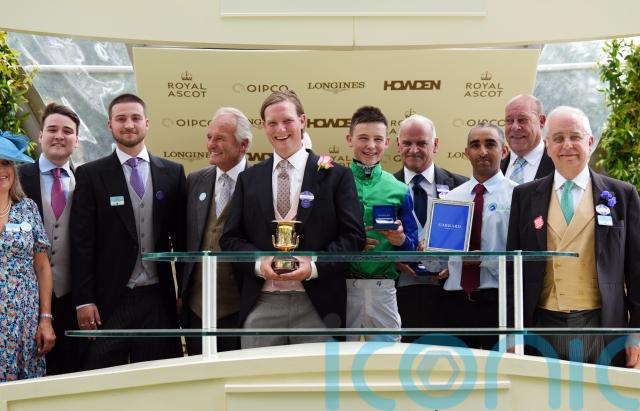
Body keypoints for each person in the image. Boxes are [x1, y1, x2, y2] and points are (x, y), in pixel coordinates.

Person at [220, 90, 365, 348]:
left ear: (302, 121)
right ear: (264, 126)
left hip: (319, 306)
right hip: (261, 304)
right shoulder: (248, 179)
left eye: (287, 121)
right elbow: (230, 238)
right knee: (254, 373)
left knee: (317, 376)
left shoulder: (336, 176)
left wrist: (314, 266)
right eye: (272, 123)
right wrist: (259, 263)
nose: (280, 129)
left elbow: (353, 237)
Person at [506, 106, 640, 366]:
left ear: (590, 142)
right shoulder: (524, 196)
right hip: (540, 325)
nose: (567, 145)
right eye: (558, 138)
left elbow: (637, 270)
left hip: (601, 324)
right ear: (547, 146)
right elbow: (514, 268)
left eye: (575, 137)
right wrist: (513, 330)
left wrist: (636, 332)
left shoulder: (622, 195)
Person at [71, 94, 185, 369]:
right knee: (101, 377)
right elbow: (81, 243)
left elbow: (182, 240)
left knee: (159, 377)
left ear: (147, 123)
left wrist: (184, 293)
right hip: (109, 300)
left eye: (135, 118)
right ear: (110, 125)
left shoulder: (172, 173)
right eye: (121, 119)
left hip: (158, 299)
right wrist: (84, 300)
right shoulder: (90, 174)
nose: (129, 124)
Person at [345, 106, 419, 342]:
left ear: (387, 143)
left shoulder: (399, 189)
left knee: (388, 359)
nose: (371, 145)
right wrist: (351, 245)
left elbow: (413, 249)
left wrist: (401, 240)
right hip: (341, 287)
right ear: (349, 139)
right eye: (363, 138)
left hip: (384, 287)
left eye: (378, 139)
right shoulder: (334, 182)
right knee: (337, 359)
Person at [183, 107, 251, 354]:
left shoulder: (259, 182)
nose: (211, 144)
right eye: (209, 137)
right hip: (196, 311)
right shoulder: (194, 180)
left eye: (220, 138)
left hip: (241, 310)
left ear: (243, 145)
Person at [440, 123, 514, 350]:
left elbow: (524, 258)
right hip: (456, 301)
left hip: (499, 301)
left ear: (504, 150)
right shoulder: (451, 198)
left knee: (499, 369)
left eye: (490, 144)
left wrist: (484, 259)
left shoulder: (519, 196)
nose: (482, 152)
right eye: (475, 145)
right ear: (466, 152)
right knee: (458, 369)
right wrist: (429, 248)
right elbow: (436, 263)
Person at [393, 114, 467, 342]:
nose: (414, 150)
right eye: (407, 143)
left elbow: (474, 239)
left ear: (435, 144)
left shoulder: (461, 186)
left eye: (422, 143)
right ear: (398, 144)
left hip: (449, 298)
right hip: (400, 299)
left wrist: (456, 264)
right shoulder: (385, 188)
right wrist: (391, 260)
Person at [19, 103, 80, 374]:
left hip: (71, 296)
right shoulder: (16, 178)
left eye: (67, 131)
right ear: (40, 135)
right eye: (52, 129)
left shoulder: (87, 181)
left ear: (76, 140)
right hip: (23, 296)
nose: (59, 136)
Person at [0, 132, 55, 381]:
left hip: (24, 320)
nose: (1, 170)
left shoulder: (28, 208)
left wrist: (45, 319)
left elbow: (42, 268)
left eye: (5, 163)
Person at [502, 94, 554, 184]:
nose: (515, 127)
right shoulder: (494, 166)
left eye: (522, 120)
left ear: (541, 121)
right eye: (509, 121)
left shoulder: (559, 165)